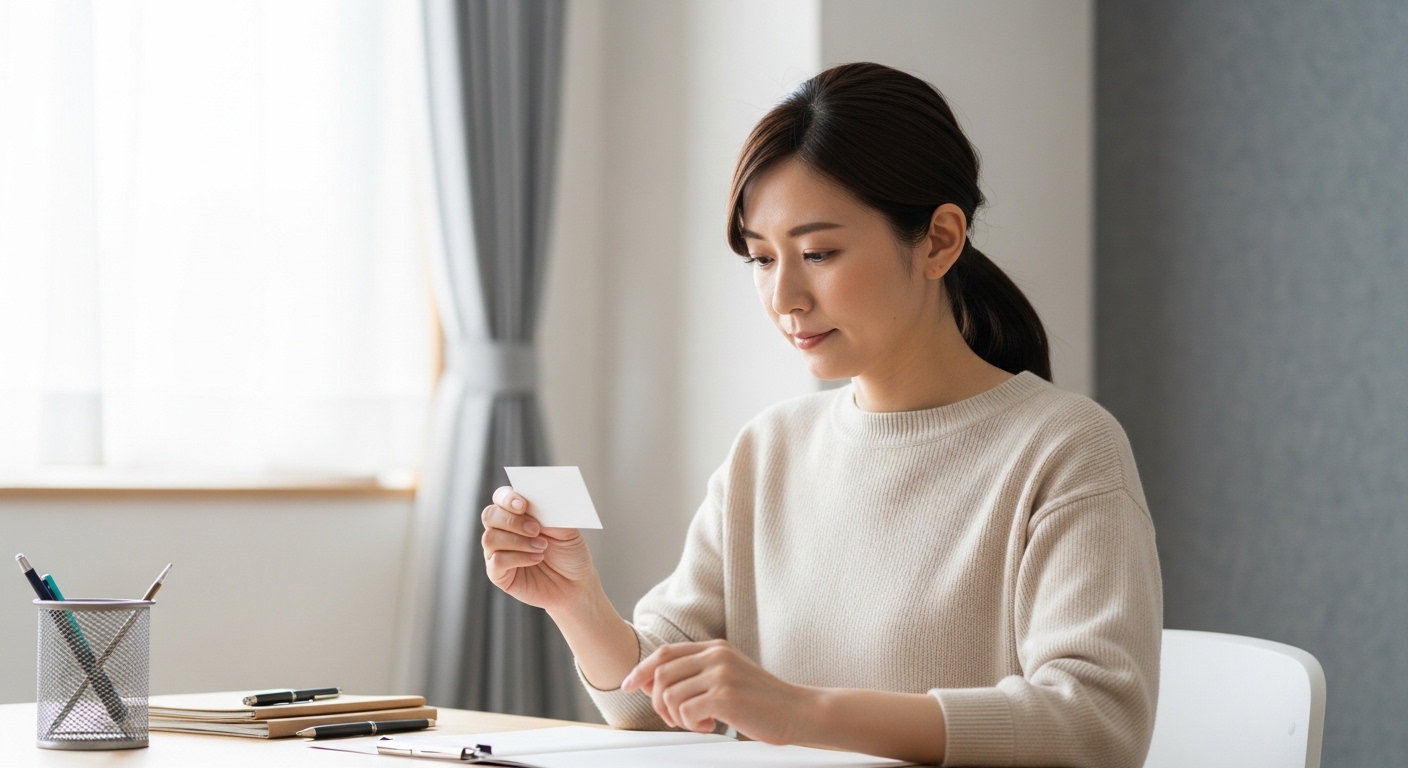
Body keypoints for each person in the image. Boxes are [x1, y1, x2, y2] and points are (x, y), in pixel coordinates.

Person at [480, 62, 1162, 768]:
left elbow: (1096, 724)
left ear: (939, 240)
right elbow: (649, 702)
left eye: (818, 253)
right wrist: (577, 602)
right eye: (761, 258)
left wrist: (802, 712)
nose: (784, 298)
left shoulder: (1065, 448)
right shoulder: (770, 448)